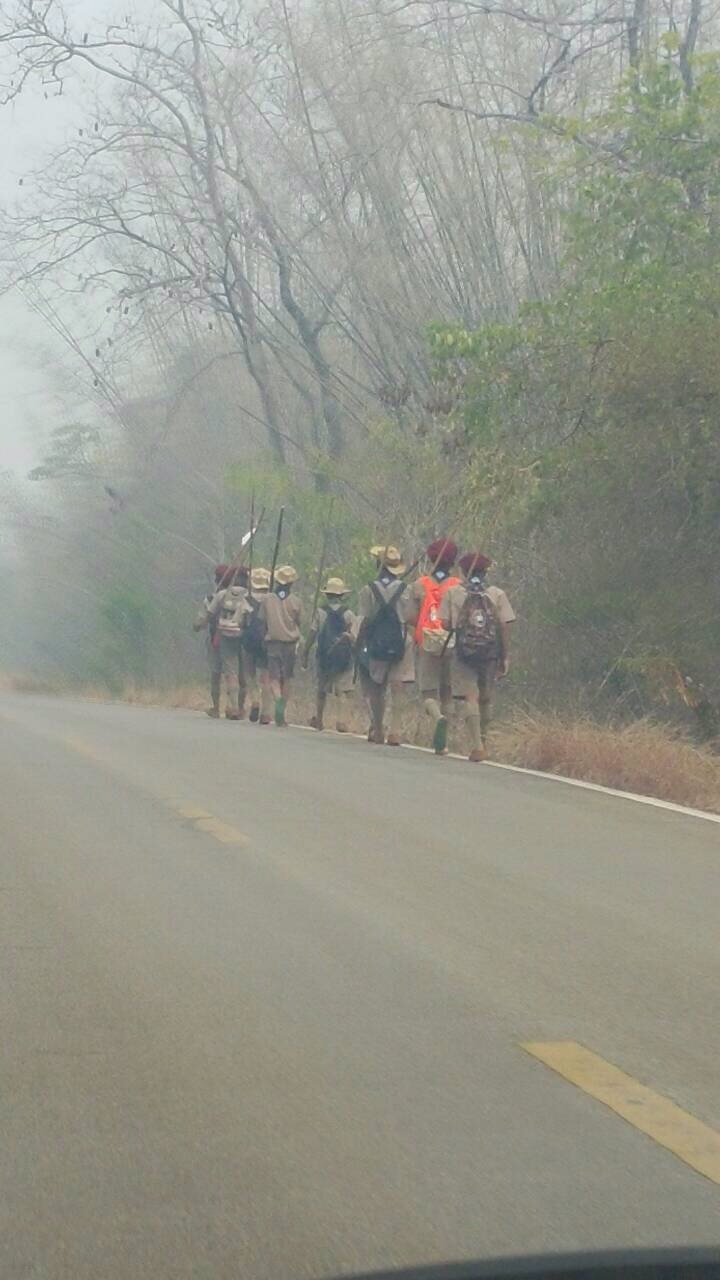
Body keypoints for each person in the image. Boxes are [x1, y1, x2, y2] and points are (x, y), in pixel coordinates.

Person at [440, 551, 516, 761]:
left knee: (470, 696)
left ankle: (477, 745)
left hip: (464, 652)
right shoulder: (497, 594)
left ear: (463, 571)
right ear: (486, 571)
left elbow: (445, 623)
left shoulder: (452, 593)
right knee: (486, 698)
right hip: (490, 653)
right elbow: (504, 625)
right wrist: (505, 656)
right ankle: (485, 741)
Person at [357, 545, 415, 746]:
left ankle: (378, 729)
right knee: (398, 686)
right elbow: (410, 617)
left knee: (376, 687)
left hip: (376, 642)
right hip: (401, 640)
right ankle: (396, 731)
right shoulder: (406, 589)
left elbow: (364, 619)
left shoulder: (368, 589)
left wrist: (359, 643)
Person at [408, 537, 460, 755]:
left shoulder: (419, 585)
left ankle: (437, 717)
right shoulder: (457, 586)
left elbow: (410, 619)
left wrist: (421, 637)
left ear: (431, 559)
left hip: (427, 644)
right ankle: (445, 742)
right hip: (451, 643)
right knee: (447, 691)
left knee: (428, 692)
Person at [303, 577, 357, 733]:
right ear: (341, 595)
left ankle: (319, 720)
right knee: (343, 690)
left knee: (322, 688)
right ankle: (342, 722)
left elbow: (313, 633)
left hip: (324, 655)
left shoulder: (320, 611)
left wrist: (305, 652)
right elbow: (354, 636)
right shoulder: (348, 613)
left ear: (327, 595)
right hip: (343, 657)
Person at [259, 565, 302, 727]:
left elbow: (262, 621)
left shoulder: (267, 599)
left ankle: (277, 700)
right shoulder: (296, 601)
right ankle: (281, 711)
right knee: (287, 678)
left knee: (274, 678)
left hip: (273, 643)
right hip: (290, 643)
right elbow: (299, 622)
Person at [208, 565, 253, 720]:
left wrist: (198, 624)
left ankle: (226, 707)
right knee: (242, 674)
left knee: (227, 672)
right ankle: (240, 708)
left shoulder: (221, 595)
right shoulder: (249, 595)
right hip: (246, 637)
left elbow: (208, 614)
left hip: (223, 637)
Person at [193, 563, 233, 719]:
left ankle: (216, 708)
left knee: (216, 674)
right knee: (233, 673)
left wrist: (197, 625)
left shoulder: (212, 598)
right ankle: (235, 706)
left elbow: (204, 618)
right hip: (237, 640)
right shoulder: (243, 596)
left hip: (217, 639)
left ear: (217, 580)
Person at [243, 567, 274, 725]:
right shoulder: (272, 599)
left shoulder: (247, 600)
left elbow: (240, 620)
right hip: (267, 641)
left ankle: (254, 700)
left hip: (249, 640)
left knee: (250, 673)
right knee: (266, 677)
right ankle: (266, 713)